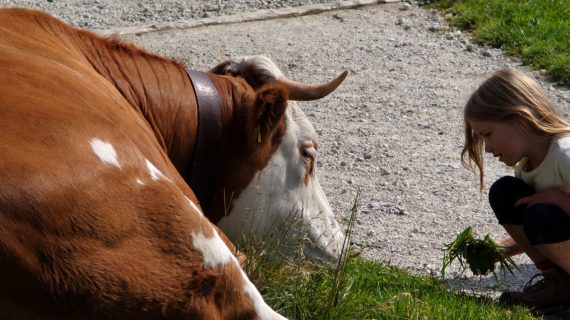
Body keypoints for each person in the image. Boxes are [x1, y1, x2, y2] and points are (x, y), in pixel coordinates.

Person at [461, 68, 570, 310]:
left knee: (540, 211)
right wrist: (499, 249)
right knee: (506, 193)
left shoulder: (564, 154)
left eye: (488, 135)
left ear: (519, 118)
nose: (487, 148)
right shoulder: (526, 169)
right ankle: (561, 285)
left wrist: (557, 199)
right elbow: (542, 231)